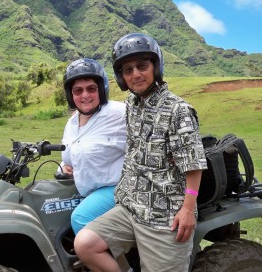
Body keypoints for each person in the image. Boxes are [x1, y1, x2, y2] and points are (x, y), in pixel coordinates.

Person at [74, 33, 208, 272]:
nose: (135, 74)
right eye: (128, 70)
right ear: (121, 77)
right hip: (130, 208)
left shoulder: (178, 110)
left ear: (155, 67)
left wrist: (188, 209)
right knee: (85, 244)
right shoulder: (131, 106)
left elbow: (193, 163)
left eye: (142, 66)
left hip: (164, 216)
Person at [61, 58, 126, 235]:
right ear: (71, 94)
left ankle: (112, 262)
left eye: (91, 88)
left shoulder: (119, 114)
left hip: (116, 188)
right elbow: (69, 156)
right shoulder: (72, 122)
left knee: (81, 218)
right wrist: (65, 167)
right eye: (78, 90)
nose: (85, 95)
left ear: (102, 89)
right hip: (88, 191)